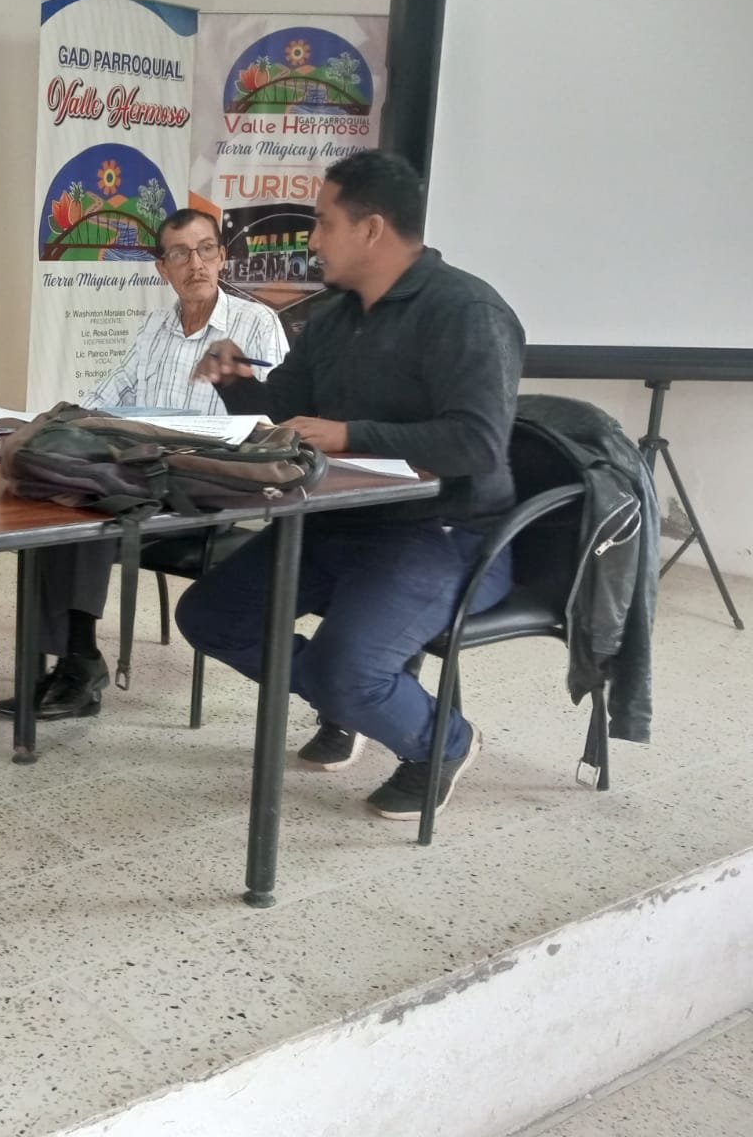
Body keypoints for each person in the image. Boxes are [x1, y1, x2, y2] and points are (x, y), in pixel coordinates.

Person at [179, 150, 524, 822]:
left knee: (348, 670)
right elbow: (289, 412)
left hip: (446, 533)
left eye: (323, 222)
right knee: (212, 617)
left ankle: (443, 743)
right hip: (341, 519)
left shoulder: (466, 311)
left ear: (371, 229)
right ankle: (355, 702)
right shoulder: (335, 316)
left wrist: (349, 433)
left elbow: (477, 442)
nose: (312, 239)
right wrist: (237, 382)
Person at [0, 207, 288, 721]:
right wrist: (53, 425)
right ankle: (70, 662)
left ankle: (79, 666)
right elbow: (106, 397)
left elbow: (278, 424)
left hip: (210, 486)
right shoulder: (154, 326)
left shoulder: (256, 323)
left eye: (206, 250)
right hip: (147, 478)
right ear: (162, 267)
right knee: (57, 505)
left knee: (97, 511)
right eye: (180, 254)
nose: (195, 264)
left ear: (222, 257)